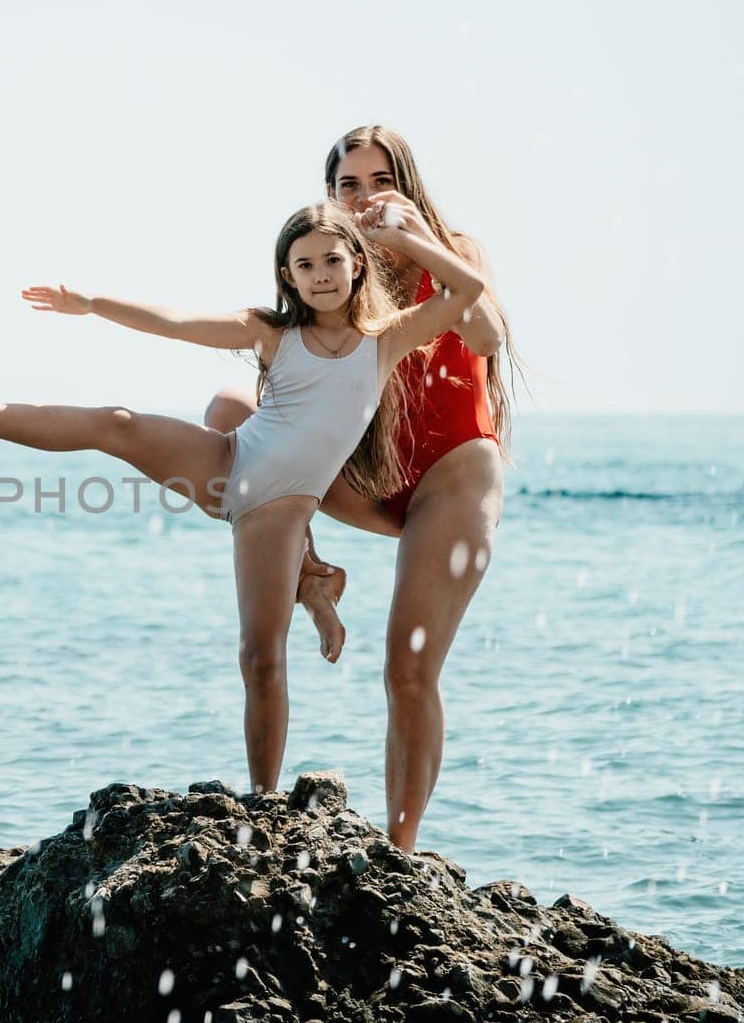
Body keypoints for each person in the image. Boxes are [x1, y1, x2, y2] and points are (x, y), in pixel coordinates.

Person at [0, 201, 488, 797]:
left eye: (332, 260)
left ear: (357, 264)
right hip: (227, 464)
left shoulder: (385, 340)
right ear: (288, 276)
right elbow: (176, 321)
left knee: (261, 658)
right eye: (305, 265)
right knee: (115, 423)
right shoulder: (272, 332)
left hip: (275, 513)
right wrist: (93, 304)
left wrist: (407, 241)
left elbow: (467, 289)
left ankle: (265, 801)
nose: (321, 275)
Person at [203, 126, 513, 851]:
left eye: (380, 180)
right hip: (369, 481)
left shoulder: (453, 248)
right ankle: (312, 573)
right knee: (227, 412)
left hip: (452, 479)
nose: (365, 196)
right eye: (348, 185)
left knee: (408, 668)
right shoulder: (333, 273)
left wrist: (414, 240)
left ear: (405, 184)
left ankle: (399, 854)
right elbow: (282, 407)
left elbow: (490, 335)